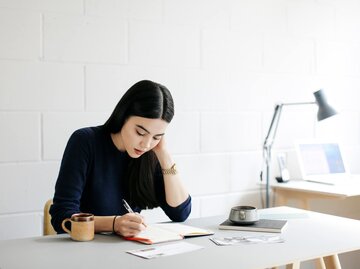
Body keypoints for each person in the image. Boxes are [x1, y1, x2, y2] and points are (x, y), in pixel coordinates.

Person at [50, 80, 191, 237]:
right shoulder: (85, 141)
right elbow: (62, 218)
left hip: (129, 253)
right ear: (123, 116)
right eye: (140, 133)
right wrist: (114, 224)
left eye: (157, 137)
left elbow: (180, 213)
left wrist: (164, 155)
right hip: (84, 251)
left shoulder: (149, 152)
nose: (146, 144)